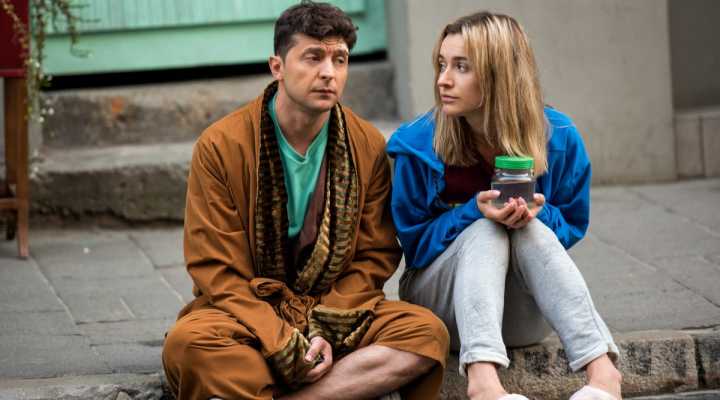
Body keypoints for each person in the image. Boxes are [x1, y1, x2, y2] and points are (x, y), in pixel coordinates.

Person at [161, 2, 449, 399]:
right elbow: (216, 268)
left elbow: (374, 255)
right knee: (189, 345)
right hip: (246, 313)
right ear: (277, 67)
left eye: (339, 59)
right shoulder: (222, 145)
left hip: (336, 311)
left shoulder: (366, 145)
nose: (328, 72)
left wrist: (324, 330)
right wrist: (279, 340)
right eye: (313, 57)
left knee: (425, 333)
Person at [387, 11, 623, 400]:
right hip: (442, 311)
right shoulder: (417, 144)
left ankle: (603, 375)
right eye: (442, 64)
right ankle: (483, 383)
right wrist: (472, 212)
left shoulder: (558, 136)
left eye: (461, 67)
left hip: (524, 316)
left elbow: (572, 225)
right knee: (485, 229)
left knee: (530, 229)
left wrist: (536, 213)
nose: (443, 79)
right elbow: (413, 245)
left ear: (499, 73)